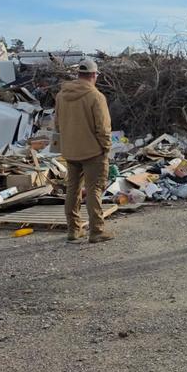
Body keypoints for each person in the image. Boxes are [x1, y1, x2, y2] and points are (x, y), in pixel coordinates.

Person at [55, 58, 113, 244]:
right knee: (94, 189)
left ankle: (73, 229)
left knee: (73, 189)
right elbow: (103, 128)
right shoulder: (96, 96)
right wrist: (106, 147)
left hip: (70, 151)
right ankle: (96, 230)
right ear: (94, 75)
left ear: (78, 74)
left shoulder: (61, 96)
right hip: (92, 151)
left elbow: (57, 124)